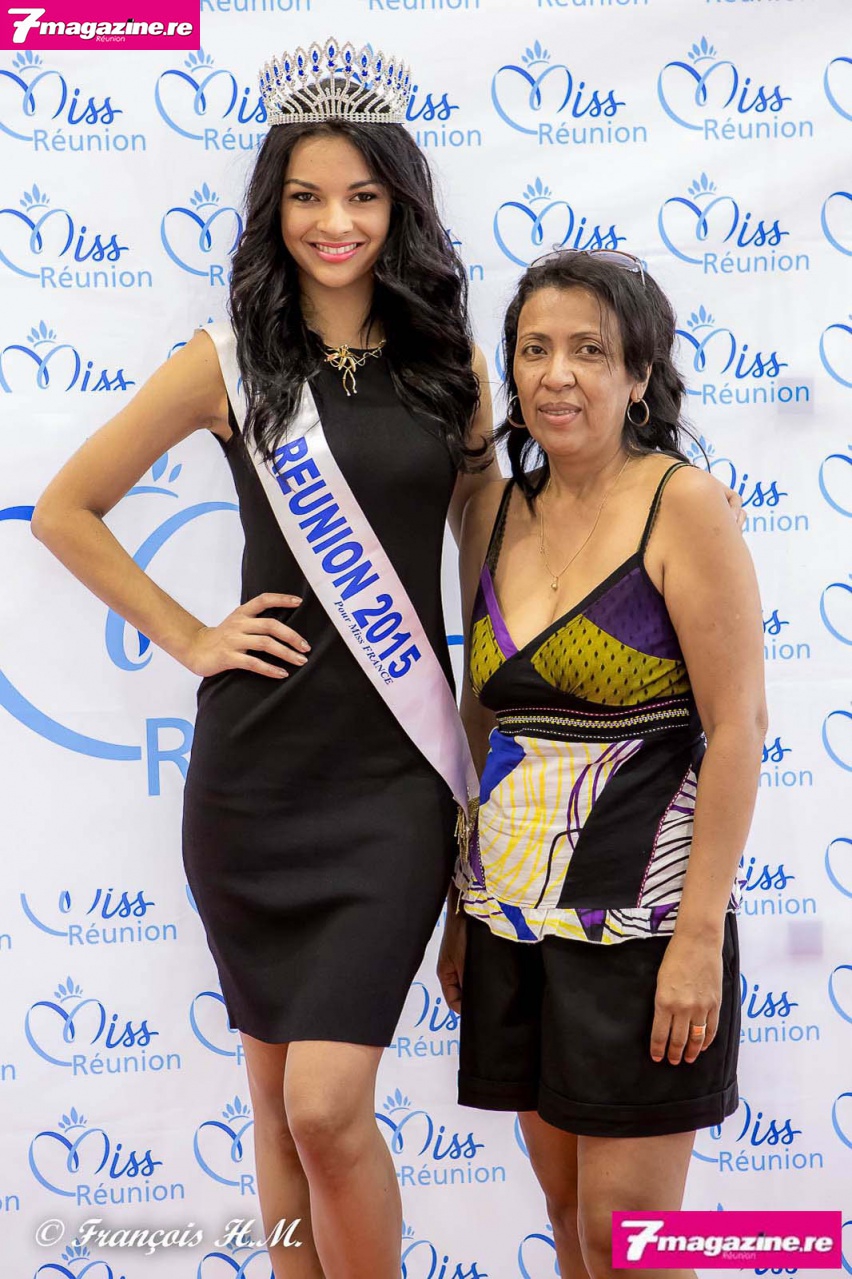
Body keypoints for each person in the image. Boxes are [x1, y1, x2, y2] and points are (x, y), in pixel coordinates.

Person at [30, 41, 497, 1279]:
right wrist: (193, 635)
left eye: (361, 195)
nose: (334, 222)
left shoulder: (452, 368)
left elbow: (497, 573)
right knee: (278, 1112)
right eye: (306, 196)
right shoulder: (227, 361)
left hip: (394, 782)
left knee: (327, 1109)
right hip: (256, 777)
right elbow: (65, 509)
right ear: (272, 208)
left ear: (399, 203)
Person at [438, 249, 767, 1279]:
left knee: (631, 1239)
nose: (558, 374)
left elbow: (739, 728)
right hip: (508, 916)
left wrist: (697, 940)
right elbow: (479, 716)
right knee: (568, 1210)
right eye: (534, 349)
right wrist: (458, 908)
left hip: (645, 927)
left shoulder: (685, 504)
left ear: (639, 375)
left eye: (589, 350)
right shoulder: (490, 512)